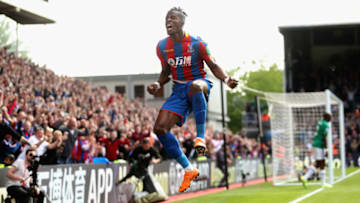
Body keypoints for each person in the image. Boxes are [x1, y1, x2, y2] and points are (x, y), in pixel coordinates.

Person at [147, 7, 238, 192]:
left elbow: (213, 65)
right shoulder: (162, 46)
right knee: (159, 128)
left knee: (196, 85)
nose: (168, 21)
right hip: (178, 90)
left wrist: (227, 79)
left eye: (172, 18)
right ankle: (189, 169)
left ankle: (200, 139)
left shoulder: (197, 43)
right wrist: (157, 84)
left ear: (182, 22)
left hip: (200, 84)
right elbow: (166, 71)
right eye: (166, 18)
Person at [301, 113, 332, 188]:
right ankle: (322, 183)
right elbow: (324, 137)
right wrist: (326, 149)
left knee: (318, 163)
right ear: (327, 117)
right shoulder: (326, 125)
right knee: (322, 163)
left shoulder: (319, 122)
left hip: (315, 143)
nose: (331, 118)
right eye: (330, 117)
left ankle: (305, 177)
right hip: (320, 145)